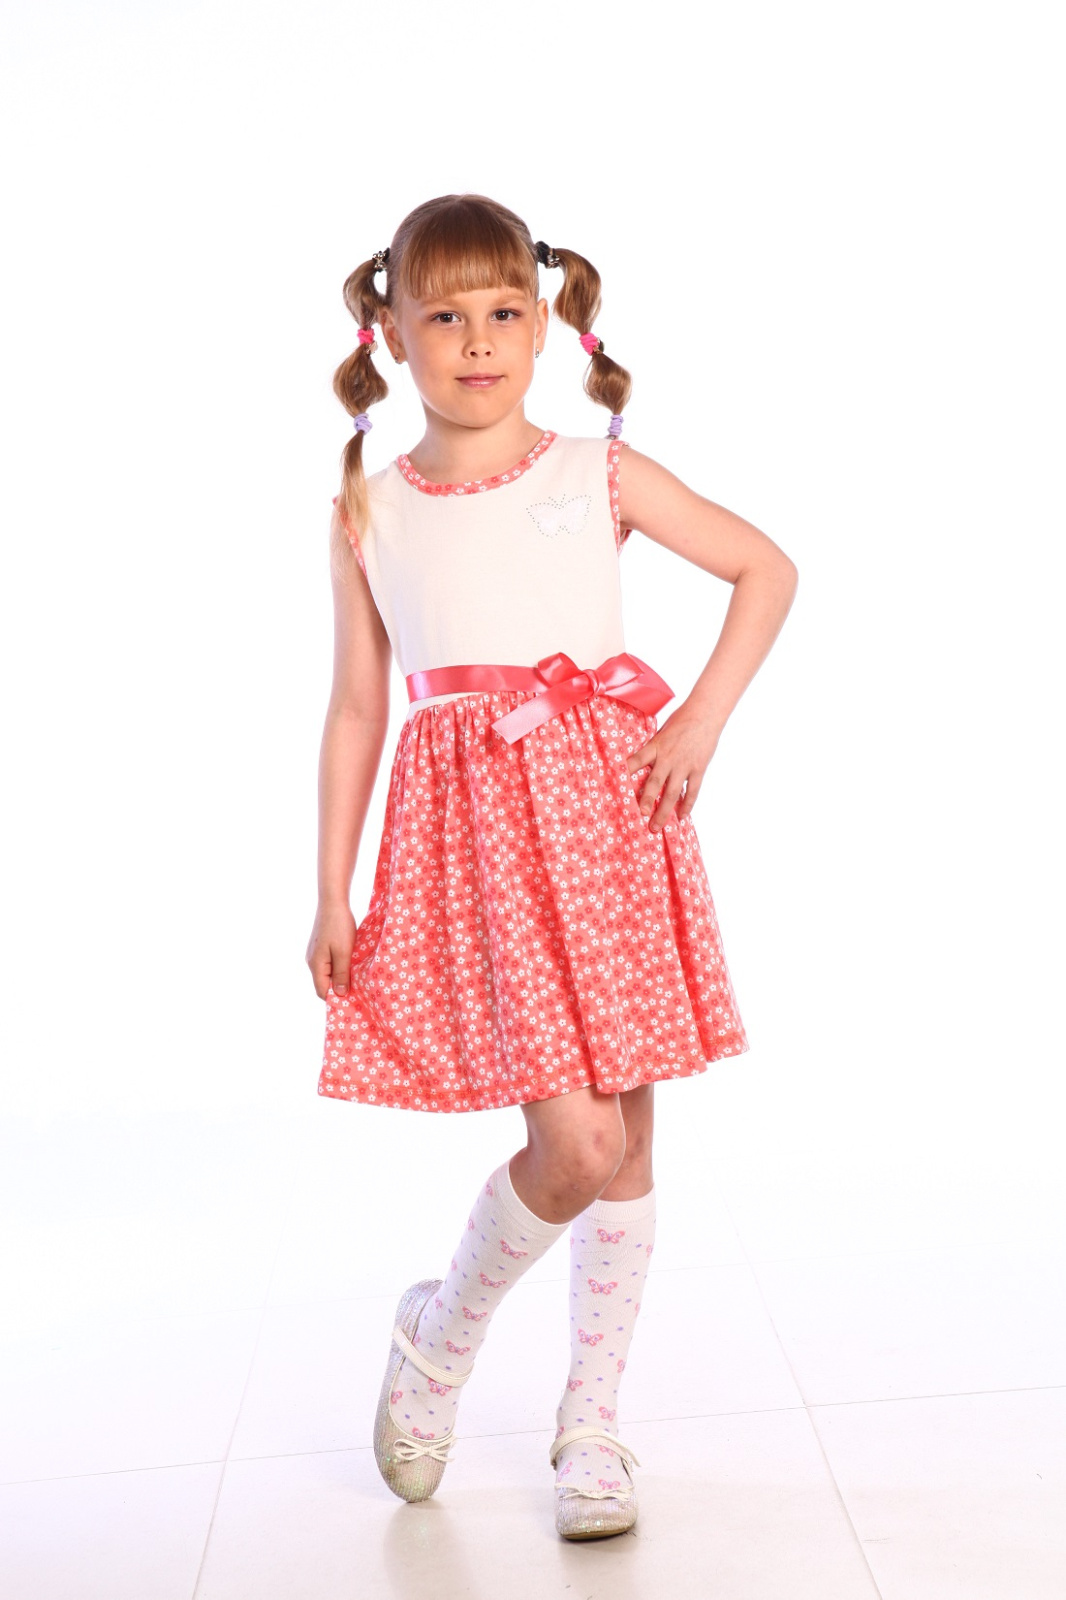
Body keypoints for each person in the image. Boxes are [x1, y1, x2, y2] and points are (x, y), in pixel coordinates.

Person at [305, 193, 798, 1541]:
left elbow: (763, 569)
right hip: (477, 848)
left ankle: (591, 1424)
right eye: (445, 316)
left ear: (544, 323)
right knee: (572, 1145)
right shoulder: (368, 510)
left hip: (609, 821)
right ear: (390, 333)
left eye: (504, 312)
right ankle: (439, 1341)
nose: (478, 341)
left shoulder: (597, 473)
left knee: (625, 1142)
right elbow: (356, 708)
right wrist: (331, 888)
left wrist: (696, 721)